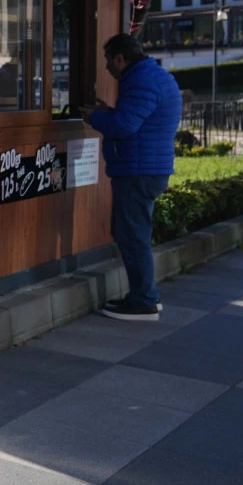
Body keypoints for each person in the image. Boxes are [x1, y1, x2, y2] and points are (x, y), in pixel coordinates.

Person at [82, 33, 182, 322]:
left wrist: (95, 118)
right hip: (147, 168)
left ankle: (144, 301)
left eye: (108, 61)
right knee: (132, 233)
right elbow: (137, 120)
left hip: (139, 171)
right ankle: (145, 296)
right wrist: (108, 112)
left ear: (120, 58)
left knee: (132, 235)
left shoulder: (140, 80)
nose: (107, 69)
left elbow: (125, 126)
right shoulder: (155, 76)